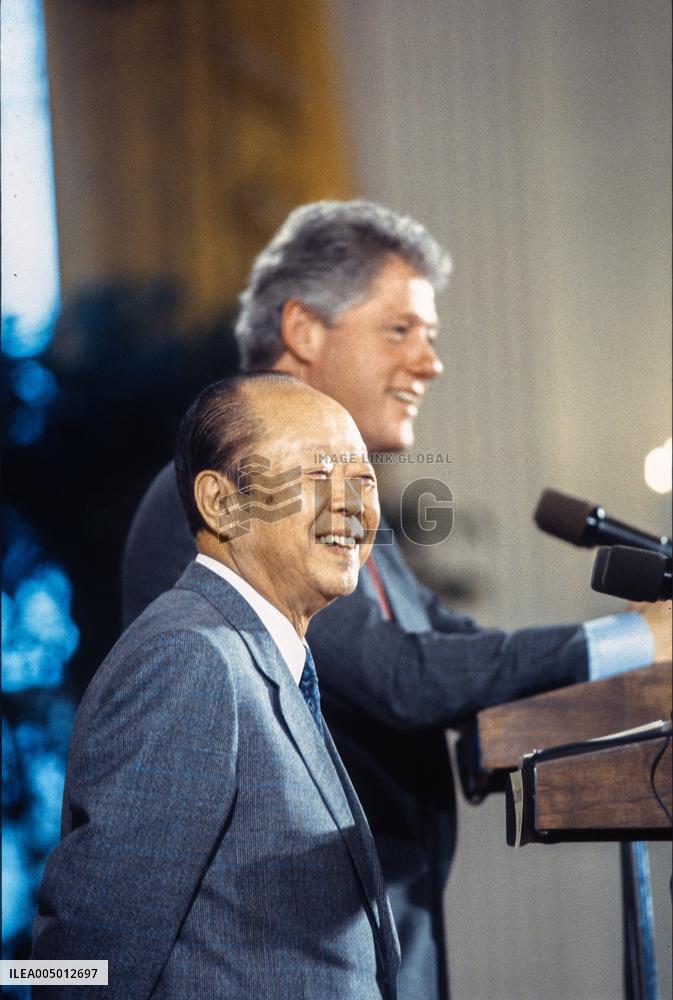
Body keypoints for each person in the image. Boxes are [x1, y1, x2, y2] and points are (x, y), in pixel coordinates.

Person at [121, 201, 670, 1000]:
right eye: (400, 329)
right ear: (304, 330)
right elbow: (404, 678)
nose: (430, 361)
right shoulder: (226, 502)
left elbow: (450, 643)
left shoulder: (341, 513)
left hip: (376, 941)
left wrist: (627, 654)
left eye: (432, 336)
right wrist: (640, 639)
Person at [33, 373, 400, 999]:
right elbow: (85, 962)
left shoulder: (258, 661)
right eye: (317, 475)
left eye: (363, 481)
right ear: (222, 503)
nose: (355, 507)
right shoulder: (189, 660)